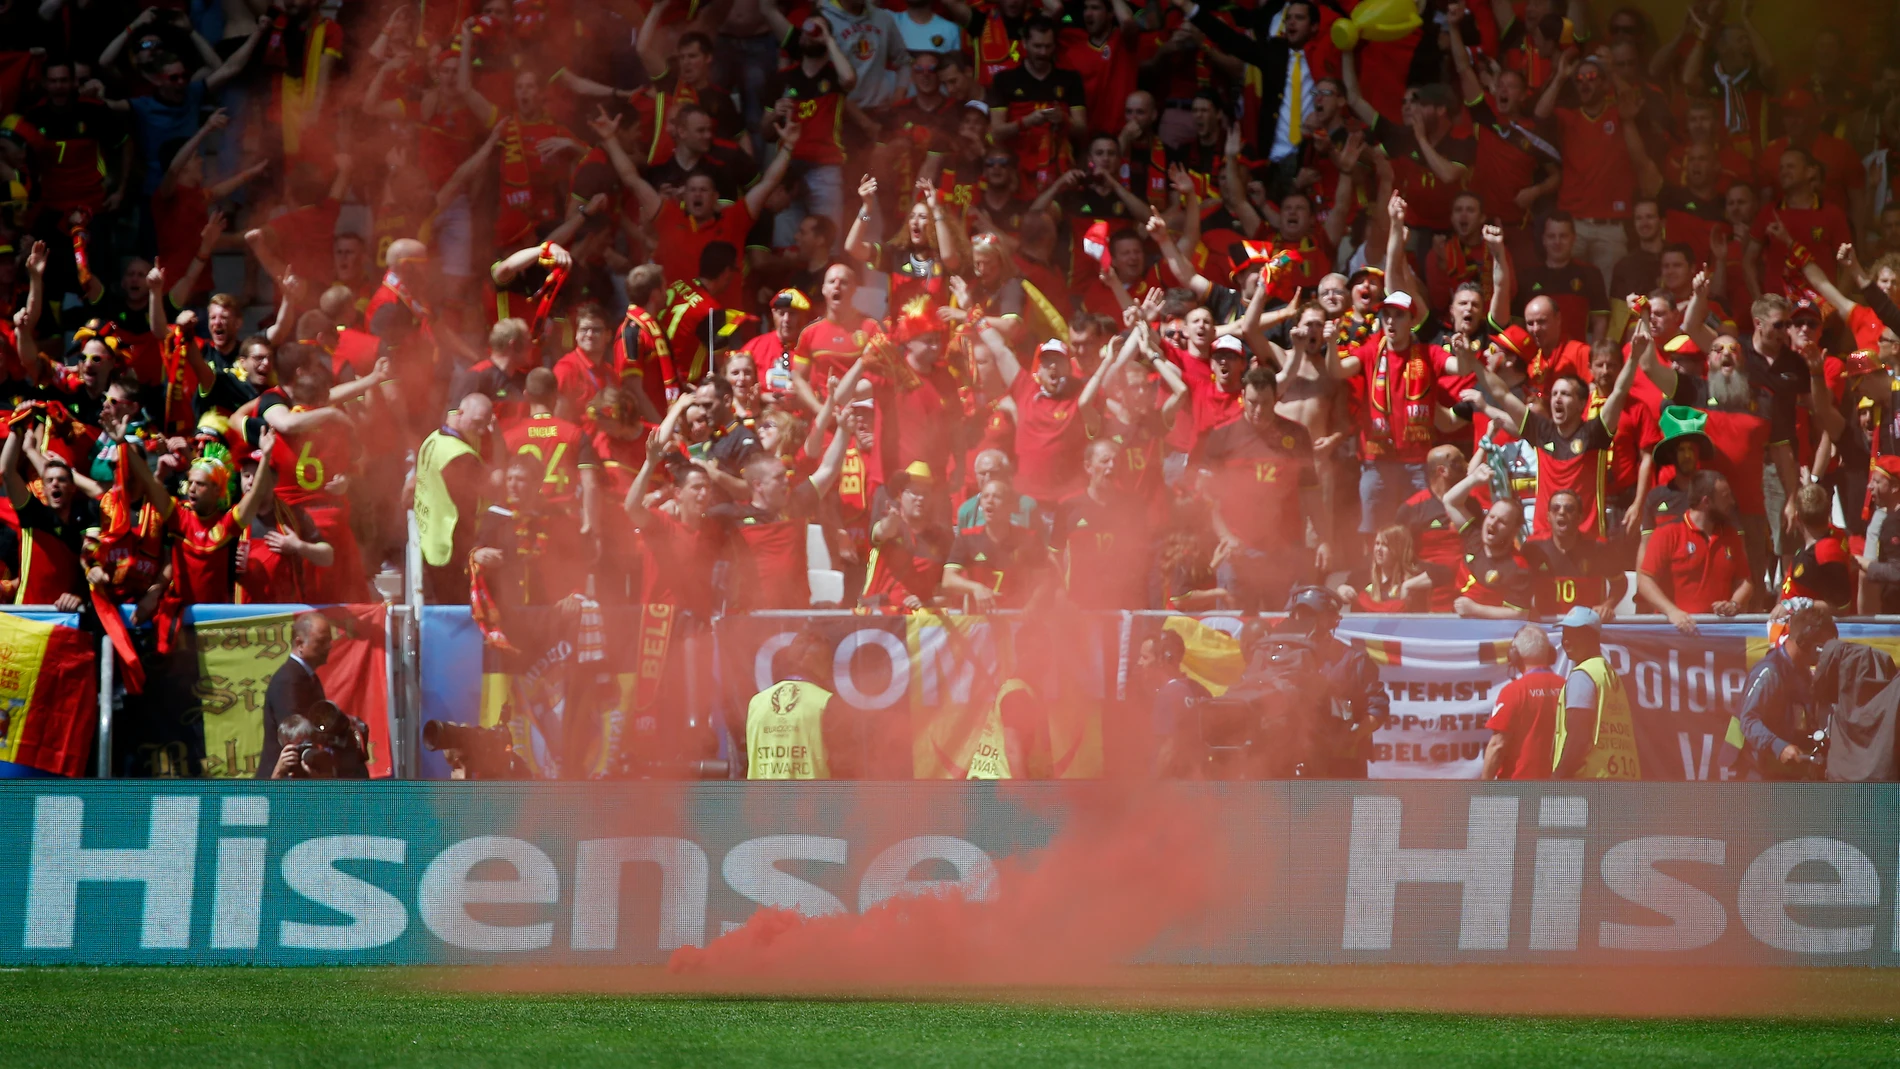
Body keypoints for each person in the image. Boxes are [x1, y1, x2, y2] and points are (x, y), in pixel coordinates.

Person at [1638, 469, 1755, 634]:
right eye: (1725, 497)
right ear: (1706, 502)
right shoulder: (1668, 533)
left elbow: (1746, 582)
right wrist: (1672, 611)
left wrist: (1734, 604)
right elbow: (1645, 580)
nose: (1732, 502)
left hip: (1720, 634)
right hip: (1674, 634)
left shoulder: (1731, 535)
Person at [1735, 603, 1836, 781]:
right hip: (1759, 773)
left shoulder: (1803, 672)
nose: (1826, 654)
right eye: (1822, 648)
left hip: (1786, 772)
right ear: (1805, 642)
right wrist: (1778, 746)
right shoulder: (1769, 672)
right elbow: (1749, 720)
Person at [746, 627, 851, 779]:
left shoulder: (757, 702)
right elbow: (843, 767)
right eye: (828, 661)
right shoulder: (826, 703)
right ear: (815, 661)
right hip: (812, 801)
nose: (830, 669)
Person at [1551, 607, 1639, 780]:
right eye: (1564, 634)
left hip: (1589, 782)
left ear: (1590, 636)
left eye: (1572, 634)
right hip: (1620, 778)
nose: (1565, 641)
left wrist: (1559, 777)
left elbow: (1579, 737)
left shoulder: (1583, 675)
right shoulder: (1608, 673)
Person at [1481, 624, 1565, 781]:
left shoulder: (1514, 691)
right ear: (1550, 654)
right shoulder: (1567, 687)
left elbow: (1497, 746)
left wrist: (1483, 787)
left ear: (1515, 656)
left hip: (1519, 788)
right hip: (1560, 788)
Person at [257, 611, 333, 780]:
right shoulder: (289, 681)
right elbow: (295, 735)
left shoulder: (307, 677)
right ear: (300, 643)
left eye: (329, 641)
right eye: (321, 641)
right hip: (283, 782)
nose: (328, 647)